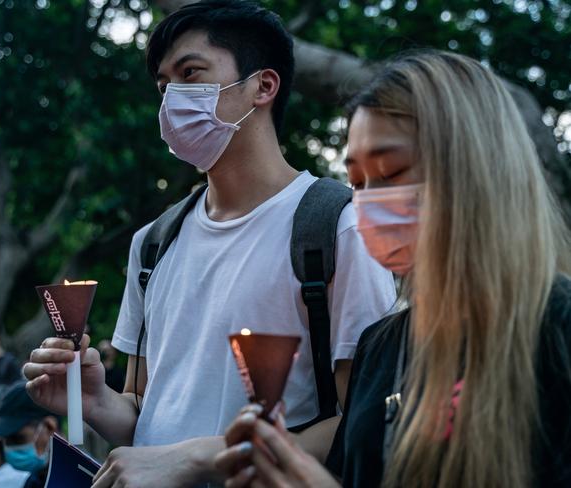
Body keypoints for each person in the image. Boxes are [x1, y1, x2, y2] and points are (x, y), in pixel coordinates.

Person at [23, 1, 396, 485]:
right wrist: (92, 398)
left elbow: (361, 420)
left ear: (263, 86)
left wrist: (206, 455)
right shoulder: (154, 243)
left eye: (190, 73)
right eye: (163, 86)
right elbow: (147, 412)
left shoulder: (336, 227)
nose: (172, 99)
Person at [216, 50, 571, 488]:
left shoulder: (558, 327)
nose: (367, 203)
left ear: (477, 168)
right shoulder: (379, 347)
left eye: (393, 171)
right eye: (358, 183)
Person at [0, 381, 59, 488]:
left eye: (17, 438)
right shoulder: (33, 481)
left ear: (49, 427)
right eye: (4, 439)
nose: (9, 448)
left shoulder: (81, 479)